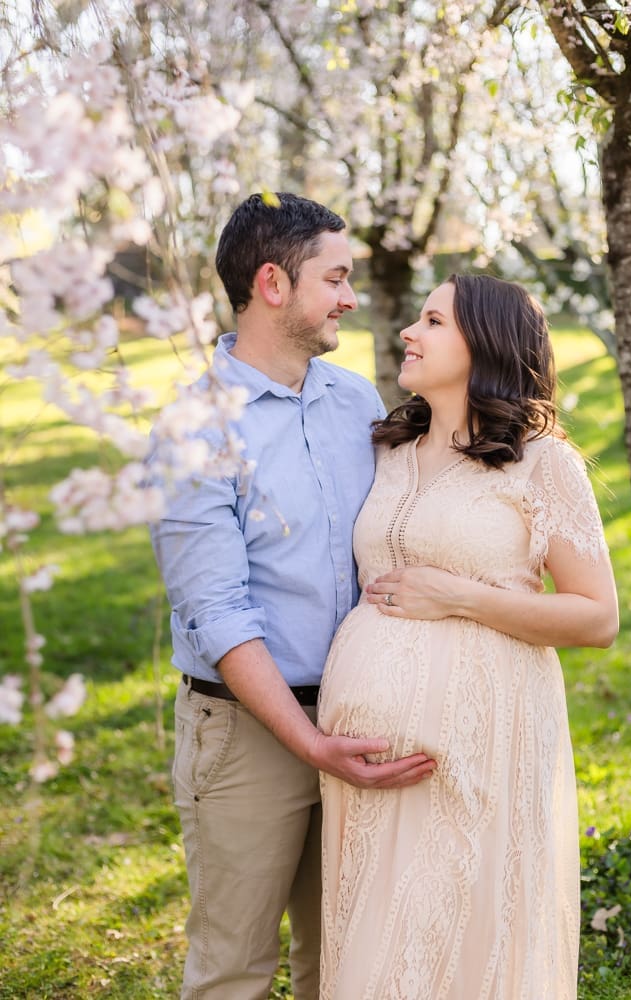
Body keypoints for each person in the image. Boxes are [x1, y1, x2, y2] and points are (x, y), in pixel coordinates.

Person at [149, 192, 435, 1000]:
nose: (349, 297)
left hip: (360, 714)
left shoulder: (353, 402)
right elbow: (217, 615)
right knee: (234, 968)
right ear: (272, 283)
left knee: (341, 960)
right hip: (244, 733)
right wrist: (308, 745)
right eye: (334, 278)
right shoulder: (193, 429)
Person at [317, 273, 619, 1000]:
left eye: (431, 321)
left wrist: (459, 596)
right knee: (372, 950)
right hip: (362, 773)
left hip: (480, 745)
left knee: (454, 938)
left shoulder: (542, 462)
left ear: (483, 342)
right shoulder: (390, 447)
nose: (407, 335)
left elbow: (597, 616)